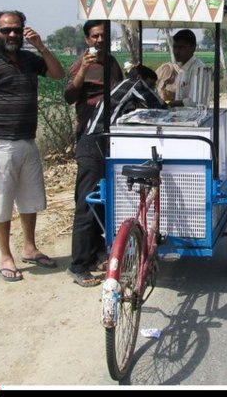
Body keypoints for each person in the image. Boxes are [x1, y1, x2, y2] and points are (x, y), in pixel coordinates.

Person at [0, 10, 65, 283]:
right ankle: (5, 257)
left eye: (16, 30)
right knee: (2, 202)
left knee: (29, 200)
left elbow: (58, 74)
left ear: (24, 31)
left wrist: (41, 47)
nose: (12, 35)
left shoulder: (28, 58)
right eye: (6, 30)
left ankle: (30, 248)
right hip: (0, 144)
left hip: (27, 140)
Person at [68, 64, 166, 287]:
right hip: (94, 147)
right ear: (142, 78)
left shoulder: (118, 89)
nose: (150, 88)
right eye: (151, 84)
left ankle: (94, 256)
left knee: (101, 204)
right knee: (86, 208)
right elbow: (158, 106)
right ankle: (78, 266)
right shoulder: (133, 85)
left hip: (100, 146)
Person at [63, 20, 124, 142]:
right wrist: (83, 69)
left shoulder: (111, 61)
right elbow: (69, 97)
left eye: (103, 36)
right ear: (87, 39)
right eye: (95, 36)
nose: (100, 40)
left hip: (111, 126)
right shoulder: (81, 64)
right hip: (89, 127)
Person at [163, 29, 209, 108]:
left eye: (181, 47)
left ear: (192, 48)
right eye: (175, 47)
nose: (176, 52)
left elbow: (195, 101)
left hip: (194, 118)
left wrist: (172, 103)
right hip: (181, 117)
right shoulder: (181, 69)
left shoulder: (199, 69)